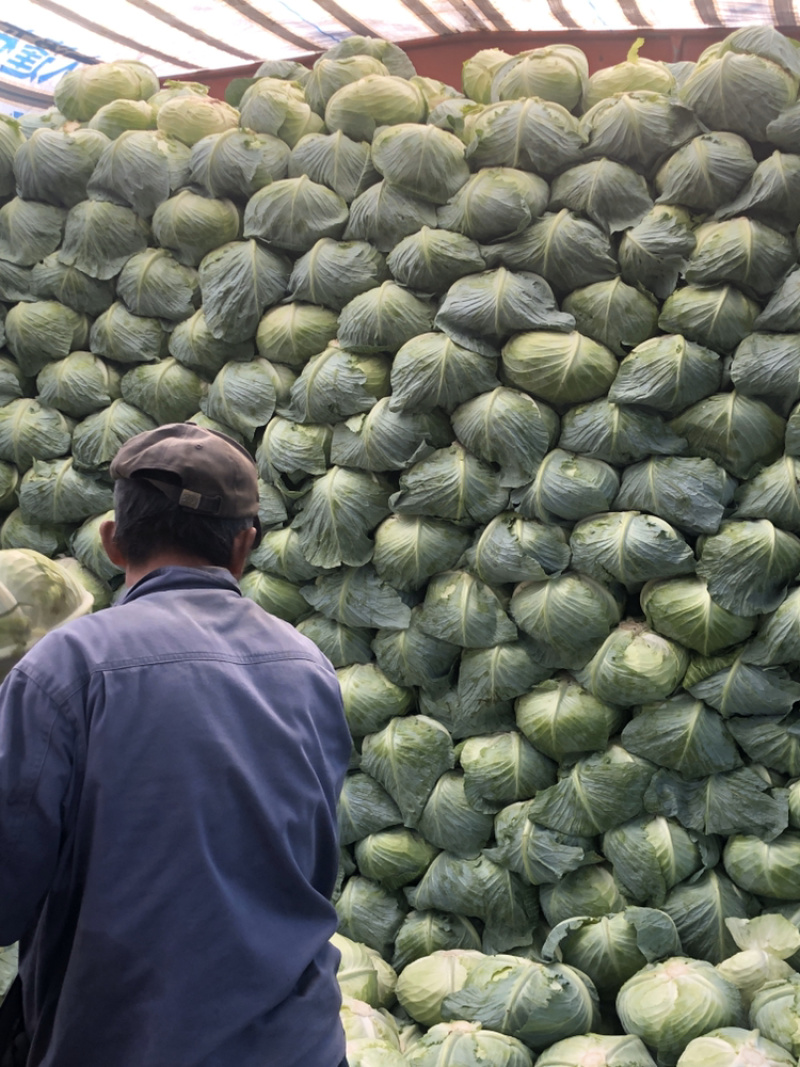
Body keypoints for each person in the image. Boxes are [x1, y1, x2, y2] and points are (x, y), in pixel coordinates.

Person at [0, 423, 352, 1067]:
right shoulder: (309, 667)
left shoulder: (64, 669)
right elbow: (307, 860)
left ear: (110, 540)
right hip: (298, 1045)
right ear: (243, 548)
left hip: (123, 1042)